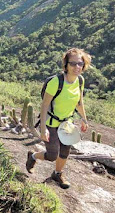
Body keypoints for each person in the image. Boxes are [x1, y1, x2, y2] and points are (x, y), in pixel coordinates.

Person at [26, 48, 91, 189]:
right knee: (52, 155)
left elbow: (79, 103)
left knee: (65, 151)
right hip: (51, 122)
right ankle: (33, 157)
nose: (77, 67)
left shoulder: (80, 80)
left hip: (67, 123)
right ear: (66, 65)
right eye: (73, 64)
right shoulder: (56, 82)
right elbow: (44, 106)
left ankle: (57, 173)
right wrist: (43, 129)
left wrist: (84, 119)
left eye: (80, 63)